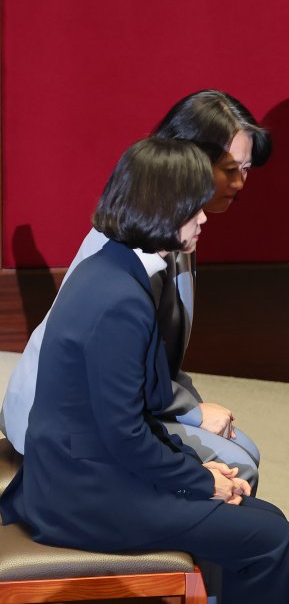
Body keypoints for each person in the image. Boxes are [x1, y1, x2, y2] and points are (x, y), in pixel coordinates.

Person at [0, 138, 289, 603]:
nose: (204, 217)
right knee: (269, 538)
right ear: (164, 208)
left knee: (258, 520)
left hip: (83, 475)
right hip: (87, 498)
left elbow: (136, 414)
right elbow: (124, 433)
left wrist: (198, 467)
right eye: (194, 207)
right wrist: (201, 480)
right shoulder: (121, 300)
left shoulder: (109, 268)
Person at [0, 90, 268, 491]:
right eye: (229, 169)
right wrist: (194, 412)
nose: (240, 183)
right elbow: (127, 368)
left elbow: (154, 357)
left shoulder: (171, 227)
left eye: (246, 169)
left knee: (244, 450)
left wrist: (193, 406)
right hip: (68, 418)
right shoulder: (136, 245)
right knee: (239, 466)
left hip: (126, 397)